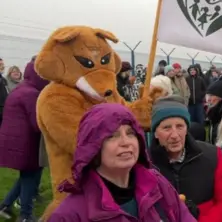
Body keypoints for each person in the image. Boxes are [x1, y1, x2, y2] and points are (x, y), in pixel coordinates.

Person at [48, 103, 196, 221]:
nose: (126, 142)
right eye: (112, 136)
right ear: (93, 146)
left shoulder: (156, 183)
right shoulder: (70, 214)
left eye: (131, 134)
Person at [149, 95, 222, 222]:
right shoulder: (145, 164)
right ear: (156, 133)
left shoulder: (211, 155)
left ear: (187, 128)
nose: (175, 135)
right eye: (166, 128)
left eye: (180, 126)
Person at [0, 60, 49, 221]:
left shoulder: (22, 89)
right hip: (27, 143)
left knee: (26, 176)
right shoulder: (32, 94)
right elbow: (37, 123)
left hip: (17, 141)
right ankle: (25, 215)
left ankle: (5, 205)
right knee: (30, 177)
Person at [0, 58, 8, 126]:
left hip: (4, 111)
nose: (2, 67)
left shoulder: (3, 80)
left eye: (3, 64)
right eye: (0, 65)